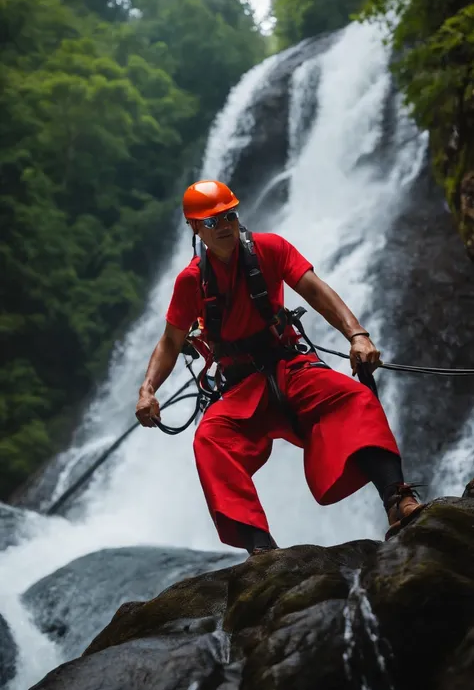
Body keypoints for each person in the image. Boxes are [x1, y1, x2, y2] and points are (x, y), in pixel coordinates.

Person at [136, 180, 424, 555]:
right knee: (210, 440)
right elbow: (171, 341)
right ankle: (260, 548)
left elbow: (314, 290)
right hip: (240, 386)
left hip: (290, 366)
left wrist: (357, 335)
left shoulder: (269, 248)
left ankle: (397, 500)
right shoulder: (191, 281)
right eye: (212, 221)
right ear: (194, 227)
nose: (224, 224)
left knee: (353, 397)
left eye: (229, 215)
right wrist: (148, 389)